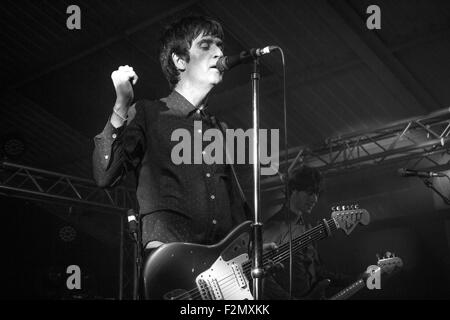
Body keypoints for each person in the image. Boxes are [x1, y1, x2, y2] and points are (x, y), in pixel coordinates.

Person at [92, 16, 249, 254]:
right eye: (206, 45)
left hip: (219, 270)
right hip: (171, 264)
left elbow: (235, 206)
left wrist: (251, 250)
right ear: (179, 60)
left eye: (220, 46)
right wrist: (122, 104)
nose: (218, 52)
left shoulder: (220, 129)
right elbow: (105, 175)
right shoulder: (148, 113)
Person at [263, 166, 354, 300]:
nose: (315, 199)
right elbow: (264, 279)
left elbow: (316, 271)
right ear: (294, 191)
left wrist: (352, 280)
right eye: (310, 193)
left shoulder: (307, 228)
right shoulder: (273, 227)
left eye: (317, 194)